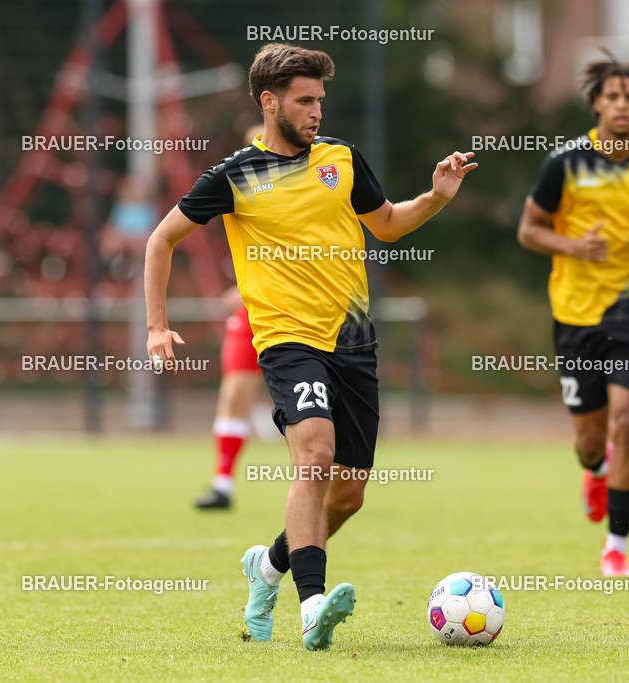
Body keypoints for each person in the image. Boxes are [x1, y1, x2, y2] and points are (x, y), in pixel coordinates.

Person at [145, 43, 476, 650]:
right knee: (315, 456)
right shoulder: (235, 175)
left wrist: (435, 197)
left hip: (354, 342)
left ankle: (267, 568)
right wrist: (156, 326)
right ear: (269, 102)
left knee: (347, 496)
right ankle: (312, 607)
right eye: (304, 100)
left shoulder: (342, 160)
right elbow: (161, 240)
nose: (316, 111)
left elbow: (387, 224)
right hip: (287, 341)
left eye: (320, 99)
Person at [517, 54, 629, 577]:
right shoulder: (565, 163)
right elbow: (530, 229)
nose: (621, 105)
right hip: (576, 315)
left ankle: (616, 545)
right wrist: (572, 245)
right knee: (590, 442)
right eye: (612, 96)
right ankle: (595, 470)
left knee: (628, 422)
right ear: (596, 102)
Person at [193, 286, 267, 509]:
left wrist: (255, 289)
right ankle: (222, 486)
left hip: (294, 309)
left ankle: (323, 482)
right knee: (233, 398)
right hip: (250, 314)